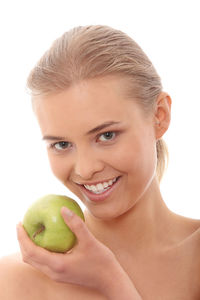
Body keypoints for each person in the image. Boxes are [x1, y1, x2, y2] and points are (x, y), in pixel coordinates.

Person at [0, 25, 200, 300]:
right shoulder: (13, 280)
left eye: (106, 135)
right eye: (62, 144)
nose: (84, 169)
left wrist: (110, 279)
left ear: (159, 116)